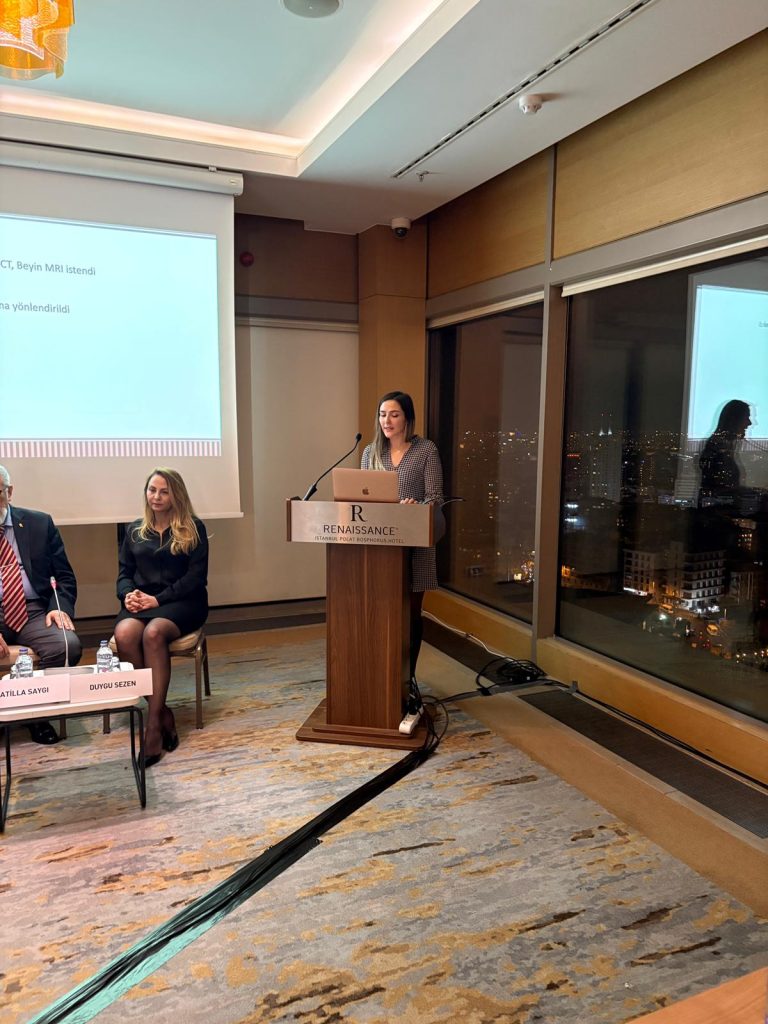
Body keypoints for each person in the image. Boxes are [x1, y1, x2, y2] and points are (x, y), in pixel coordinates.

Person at [114, 469, 208, 767]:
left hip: (183, 602)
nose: (156, 497)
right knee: (125, 634)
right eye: (152, 490)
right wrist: (127, 594)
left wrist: (159, 599)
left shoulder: (193, 528)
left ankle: (153, 726)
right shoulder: (134, 530)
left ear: (176, 495)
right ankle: (163, 711)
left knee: (153, 633)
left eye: (164, 491)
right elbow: (124, 574)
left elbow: (195, 578)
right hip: (143, 602)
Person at [361, 390, 444, 679]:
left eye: (394, 415)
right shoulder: (370, 453)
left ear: (407, 418)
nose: (387, 421)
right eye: (382, 415)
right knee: (379, 613)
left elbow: (435, 498)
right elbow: (362, 499)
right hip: (379, 545)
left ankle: (408, 679)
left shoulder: (425, 450)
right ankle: (379, 677)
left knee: (409, 615)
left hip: (414, 545)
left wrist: (414, 508)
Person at [0, 464, 82, 744]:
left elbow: (64, 576)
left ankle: (37, 714)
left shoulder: (39, 523)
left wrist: (58, 607)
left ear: (9, 492)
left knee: (66, 645)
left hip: (34, 610)